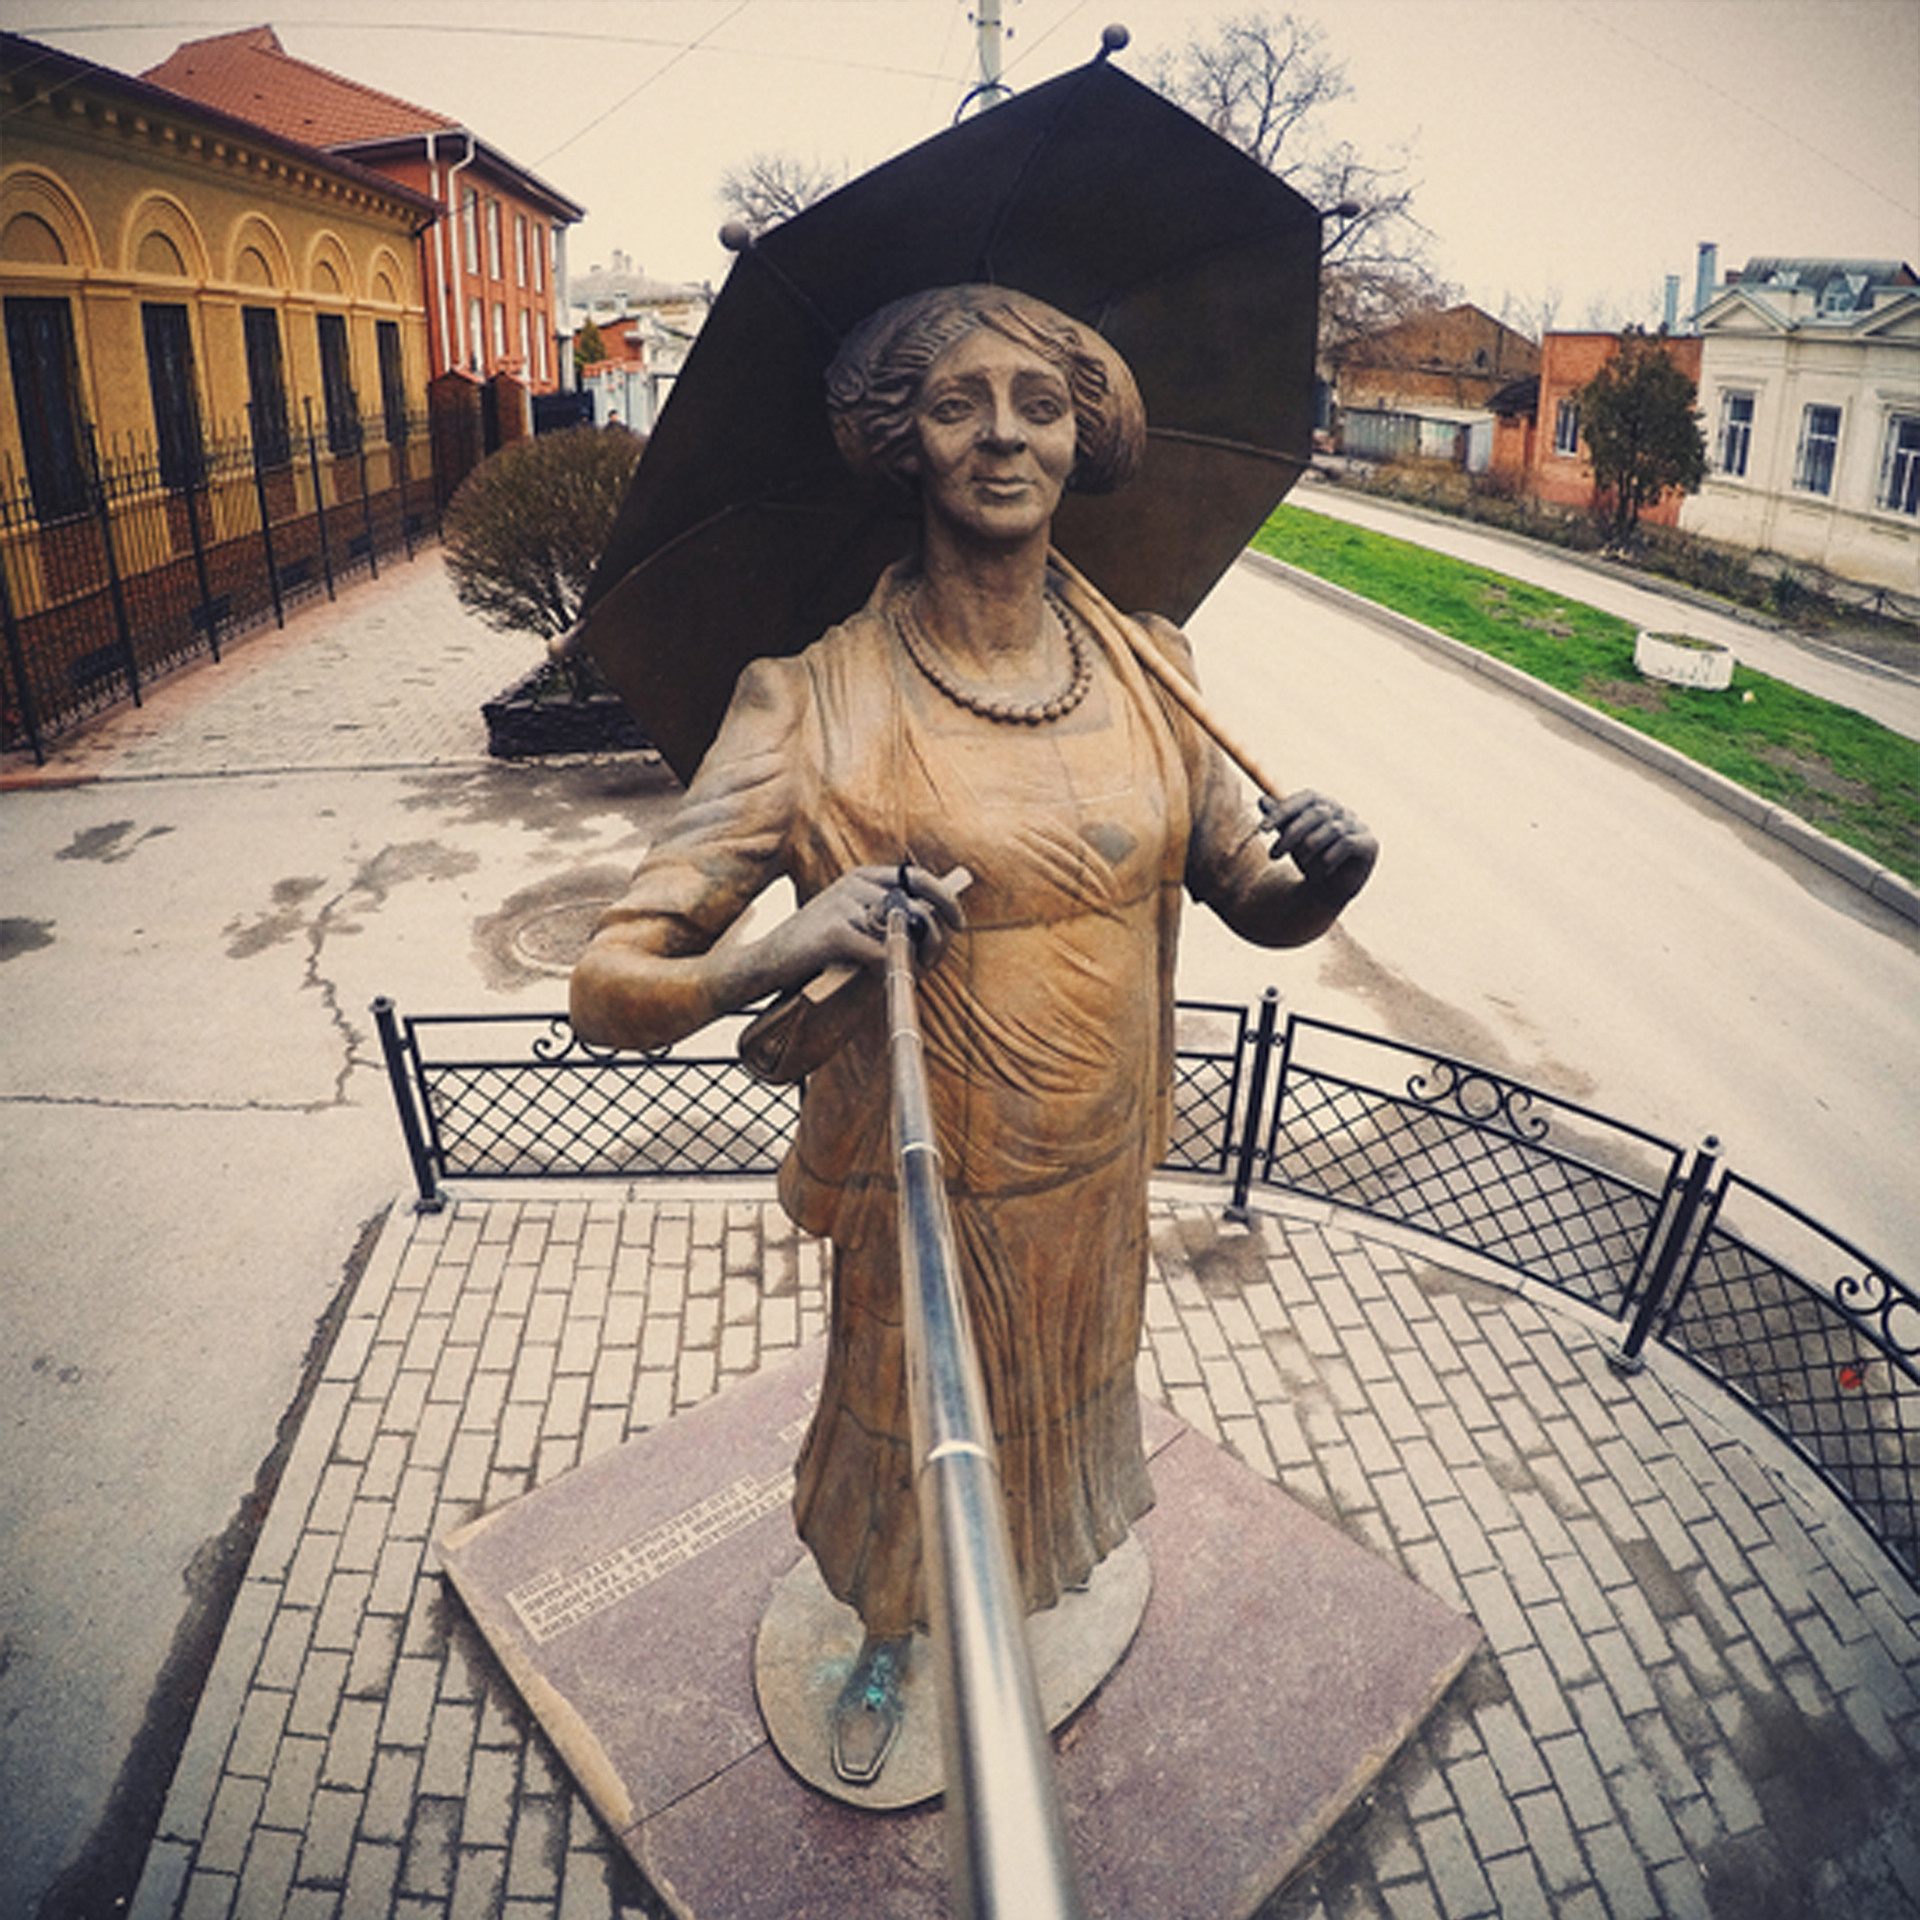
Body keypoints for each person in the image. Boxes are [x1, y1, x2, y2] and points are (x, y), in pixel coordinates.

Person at [570, 284, 1377, 1783]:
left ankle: (1015, 1599)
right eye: (956, 404)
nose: (1004, 434)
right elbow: (610, 983)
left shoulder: (1151, 665)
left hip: (1094, 1175)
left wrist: (1321, 880)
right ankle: (890, 1633)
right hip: (925, 1191)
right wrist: (786, 945)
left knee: (1059, 1422)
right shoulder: (812, 701)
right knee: (907, 1431)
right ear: (899, 446)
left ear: (1087, 439)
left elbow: (1247, 892)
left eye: (1041, 404)